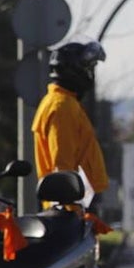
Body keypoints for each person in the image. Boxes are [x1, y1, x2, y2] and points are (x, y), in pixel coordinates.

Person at [31, 37, 109, 213]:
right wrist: (71, 207)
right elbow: (62, 163)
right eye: (89, 68)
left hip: (76, 202)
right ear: (75, 70)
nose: (91, 74)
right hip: (69, 207)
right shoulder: (62, 107)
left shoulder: (64, 102)